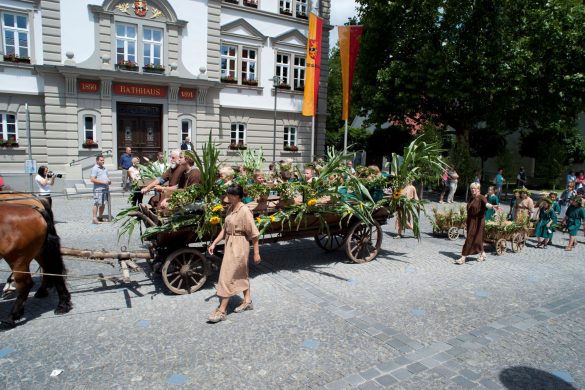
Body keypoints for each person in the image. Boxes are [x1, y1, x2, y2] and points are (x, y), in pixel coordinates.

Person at [207, 184, 261, 323]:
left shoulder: (245, 211)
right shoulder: (231, 208)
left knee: (227, 275)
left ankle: (222, 310)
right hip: (230, 243)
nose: (227, 197)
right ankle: (247, 301)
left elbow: (254, 234)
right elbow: (225, 229)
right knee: (241, 273)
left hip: (240, 245)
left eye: (230, 195)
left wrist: (256, 253)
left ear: (237, 196)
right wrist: (214, 243)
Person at [455, 182, 496, 264]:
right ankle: (483, 254)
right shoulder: (471, 198)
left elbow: (486, 204)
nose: (473, 190)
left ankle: (463, 257)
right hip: (471, 221)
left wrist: (492, 206)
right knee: (478, 239)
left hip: (478, 221)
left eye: (475, 188)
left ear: (478, 189)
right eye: (472, 188)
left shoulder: (481, 197)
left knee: (470, 238)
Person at [90, 155, 111, 224]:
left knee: (103, 204)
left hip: (105, 188)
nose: (103, 161)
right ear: (97, 161)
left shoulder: (104, 168)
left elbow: (106, 177)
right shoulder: (95, 168)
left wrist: (109, 181)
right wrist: (103, 182)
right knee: (97, 203)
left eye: (103, 160)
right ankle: (94, 218)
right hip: (98, 189)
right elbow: (92, 179)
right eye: (101, 160)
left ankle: (100, 217)